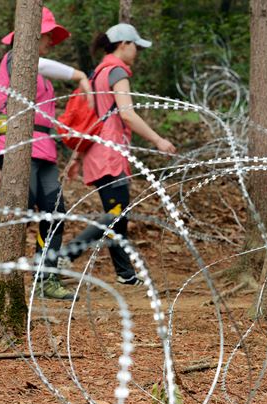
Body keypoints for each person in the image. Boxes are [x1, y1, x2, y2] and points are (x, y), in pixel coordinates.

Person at [0, 7, 93, 300]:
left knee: (55, 212)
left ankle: (46, 278)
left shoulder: (43, 74)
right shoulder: (16, 59)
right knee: (20, 212)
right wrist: (79, 75)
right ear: (33, 35)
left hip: (45, 150)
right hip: (18, 145)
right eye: (48, 36)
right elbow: (43, 66)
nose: (51, 41)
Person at [63, 23, 176, 285]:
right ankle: (67, 255)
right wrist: (158, 139)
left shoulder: (96, 74)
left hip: (97, 151)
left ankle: (125, 275)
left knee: (118, 216)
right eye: (135, 45)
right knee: (116, 213)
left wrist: (77, 158)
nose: (137, 51)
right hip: (109, 153)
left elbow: (90, 119)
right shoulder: (116, 73)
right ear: (124, 44)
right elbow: (126, 113)